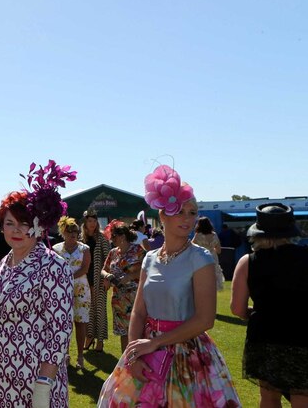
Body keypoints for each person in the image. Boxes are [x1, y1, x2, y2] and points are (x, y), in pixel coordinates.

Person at [98, 165, 239, 407]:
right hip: (146, 351)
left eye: (192, 213)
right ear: (162, 215)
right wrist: (133, 356)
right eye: (180, 212)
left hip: (187, 354)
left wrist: (155, 343)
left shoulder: (200, 258)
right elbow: (139, 311)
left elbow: (205, 320)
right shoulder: (150, 258)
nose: (187, 219)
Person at [0, 163, 75, 408]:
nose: (16, 230)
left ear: (38, 225)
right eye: (10, 223)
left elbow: (60, 329)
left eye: (24, 223)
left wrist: (44, 383)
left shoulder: (53, 265)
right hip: (1, 378)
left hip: (36, 380)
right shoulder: (3, 264)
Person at [231, 203, 308, 407]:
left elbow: (237, 309)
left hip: (264, 336)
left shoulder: (248, 261)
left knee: (269, 398)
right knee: (303, 398)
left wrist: (254, 313)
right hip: (302, 335)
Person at [52, 216, 91, 369]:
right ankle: (65, 355)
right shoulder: (56, 249)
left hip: (80, 290)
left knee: (80, 323)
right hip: (61, 291)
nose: (73, 234)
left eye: (75, 231)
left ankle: (80, 356)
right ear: (63, 232)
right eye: (69, 231)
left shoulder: (84, 249)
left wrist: (68, 277)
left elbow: (84, 269)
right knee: (64, 324)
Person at [101, 220, 142, 352]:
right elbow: (103, 269)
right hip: (118, 298)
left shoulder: (138, 250)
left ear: (123, 236)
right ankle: (125, 363)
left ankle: (138, 358)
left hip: (135, 296)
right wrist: (107, 276)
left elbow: (148, 269)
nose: (111, 239)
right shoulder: (113, 252)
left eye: (114, 236)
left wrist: (130, 276)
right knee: (123, 333)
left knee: (137, 330)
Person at [82, 208, 109, 352]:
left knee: (100, 310)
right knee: (87, 311)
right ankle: (89, 336)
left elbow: (109, 259)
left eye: (94, 221)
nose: (92, 224)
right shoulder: (81, 240)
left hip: (99, 279)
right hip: (84, 280)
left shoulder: (102, 238)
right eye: (89, 221)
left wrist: (107, 278)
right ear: (85, 223)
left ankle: (100, 341)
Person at [194, 216, 225, 291]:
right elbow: (219, 250)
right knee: (214, 273)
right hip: (212, 256)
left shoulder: (198, 235)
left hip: (202, 256)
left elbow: (192, 246)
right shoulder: (214, 235)